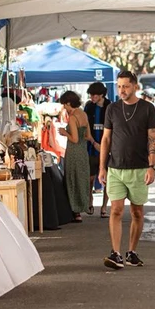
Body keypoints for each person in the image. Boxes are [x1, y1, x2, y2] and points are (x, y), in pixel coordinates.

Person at [98, 70, 155, 269]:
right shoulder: (112, 109)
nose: (122, 90)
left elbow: (152, 139)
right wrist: (102, 167)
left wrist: (152, 166)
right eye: (119, 86)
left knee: (137, 212)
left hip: (140, 168)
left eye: (126, 86)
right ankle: (115, 253)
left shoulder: (147, 108)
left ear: (135, 86)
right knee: (115, 210)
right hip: (115, 167)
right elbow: (106, 139)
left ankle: (131, 251)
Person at [59, 90, 92, 221]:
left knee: (72, 179)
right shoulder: (83, 114)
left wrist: (64, 132)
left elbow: (75, 139)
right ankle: (83, 206)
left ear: (68, 103)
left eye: (64, 105)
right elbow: (87, 136)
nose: (64, 108)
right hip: (83, 151)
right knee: (81, 179)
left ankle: (75, 211)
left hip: (73, 151)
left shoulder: (73, 117)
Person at [83, 82, 113, 216]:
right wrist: (93, 142)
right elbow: (85, 126)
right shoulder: (89, 107)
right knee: (90, 177)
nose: (92, 97)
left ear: (101, 94)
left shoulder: (110, 107)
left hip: (108, 149)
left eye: (94, 94)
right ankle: (90, 201)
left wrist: (107, 147)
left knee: (107, 178)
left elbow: (115, 129)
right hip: (91, 147)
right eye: (90, 94)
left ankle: (104, 207)